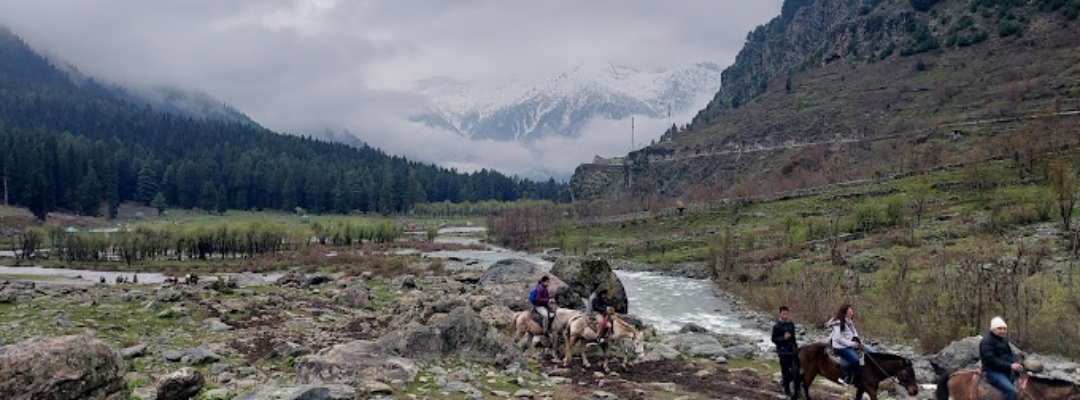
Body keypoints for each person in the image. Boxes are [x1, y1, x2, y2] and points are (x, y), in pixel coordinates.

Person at [980, 316, 1023, 400]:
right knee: (1010, 390)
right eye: (1000, 328)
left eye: (1004, 329)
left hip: (1005, 370)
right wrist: (1010, 366)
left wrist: (1017, 365)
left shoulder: (1004, 341)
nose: (1003, 331)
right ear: (993, 329)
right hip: (992, 372)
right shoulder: (986, 341)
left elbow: (1009, 355)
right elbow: (990, 360)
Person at [828, 304, 861, 385]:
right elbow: (838, 338)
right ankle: (845, 376)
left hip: (849, 344)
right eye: (850, 311)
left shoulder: (849, 321)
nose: (852, 313)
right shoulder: (838, 323)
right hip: (840, 347)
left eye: (851, 311)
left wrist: (856, 338)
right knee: (855, 360)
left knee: (870, 351)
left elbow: (854, 332)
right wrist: (852, 344)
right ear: (845, 312)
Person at [772, 305, 798, 395]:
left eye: (787, 314)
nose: (786, 316)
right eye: (784, 314)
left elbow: (794, 337)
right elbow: (774, 339)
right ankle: (786, 389)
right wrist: (783, 338)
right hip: (782, 351)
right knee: (785, 370)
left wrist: (796, 348)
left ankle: (792, 386)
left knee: (796, 370)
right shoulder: (776, 326)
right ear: (780, 314)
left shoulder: (791, 324)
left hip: (792, 350)